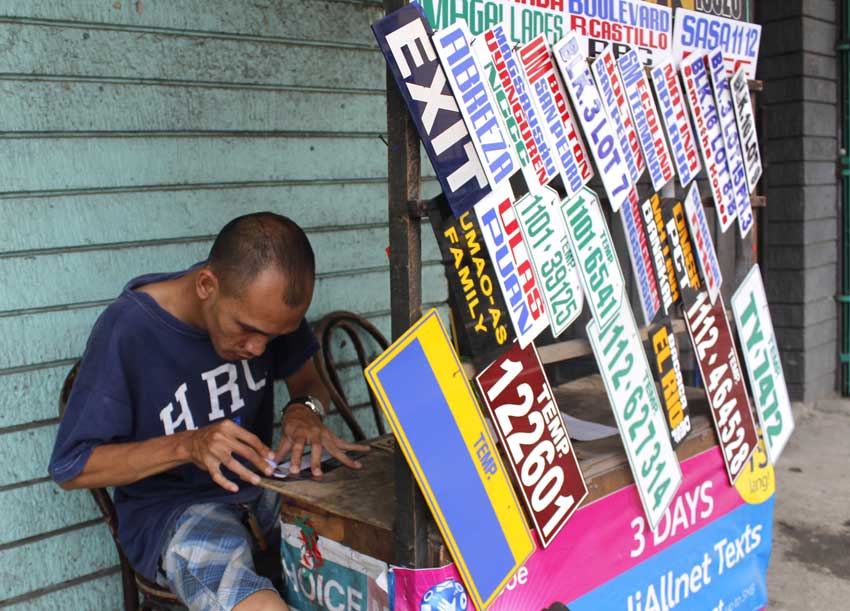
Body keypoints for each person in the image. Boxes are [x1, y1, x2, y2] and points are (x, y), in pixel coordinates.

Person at [48, 212, 370, 611]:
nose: (257, 349)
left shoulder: (263, 311)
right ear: (206, 285)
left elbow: (309, 383)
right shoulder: (128, 330)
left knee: (376, 538)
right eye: (247, 330)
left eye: (273, 337)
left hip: (262, 483)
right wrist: (188, 445)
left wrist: (305, 409)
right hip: (173, 513)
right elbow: (72, 466)